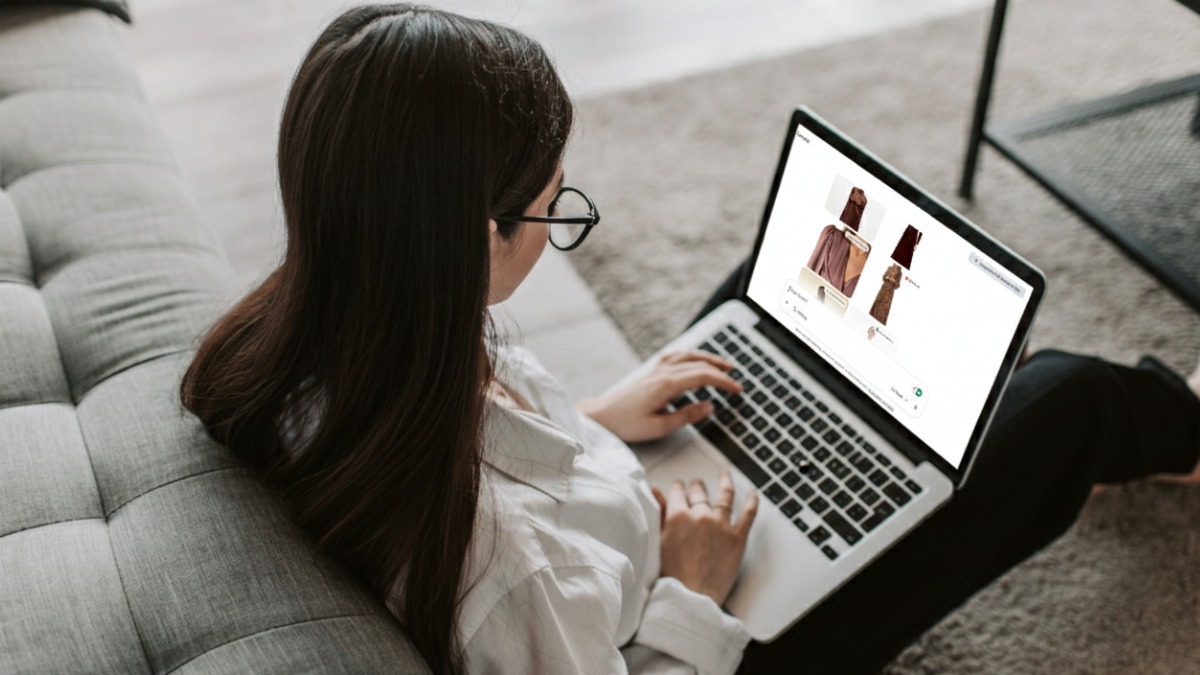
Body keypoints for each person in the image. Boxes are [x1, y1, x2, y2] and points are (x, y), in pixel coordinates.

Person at [179, 4, 1200, 674]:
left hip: (616, 528)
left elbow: (466, 445)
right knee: (1072, 399)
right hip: (705, 630)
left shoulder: (314, 337)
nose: (560, 218)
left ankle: (945, 382)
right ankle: (1166, 419)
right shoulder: (518, 578)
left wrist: (588, 421)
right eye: (552, 210)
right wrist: (690, 588)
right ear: (471, 239)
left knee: (757, 311)